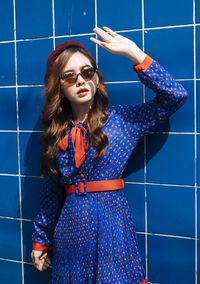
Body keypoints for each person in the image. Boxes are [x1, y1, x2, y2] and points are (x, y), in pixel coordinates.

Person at [31, 26, 188, 283]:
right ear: (59, 87)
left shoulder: (123, 119)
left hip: (111, 225)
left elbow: (175, 95)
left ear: (96, 77)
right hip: (70, 230)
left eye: (86, 72)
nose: (80, 80)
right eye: (69, 77)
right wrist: (40, 240)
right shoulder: (56, 134)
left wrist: (134, 53)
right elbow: (50, 195)